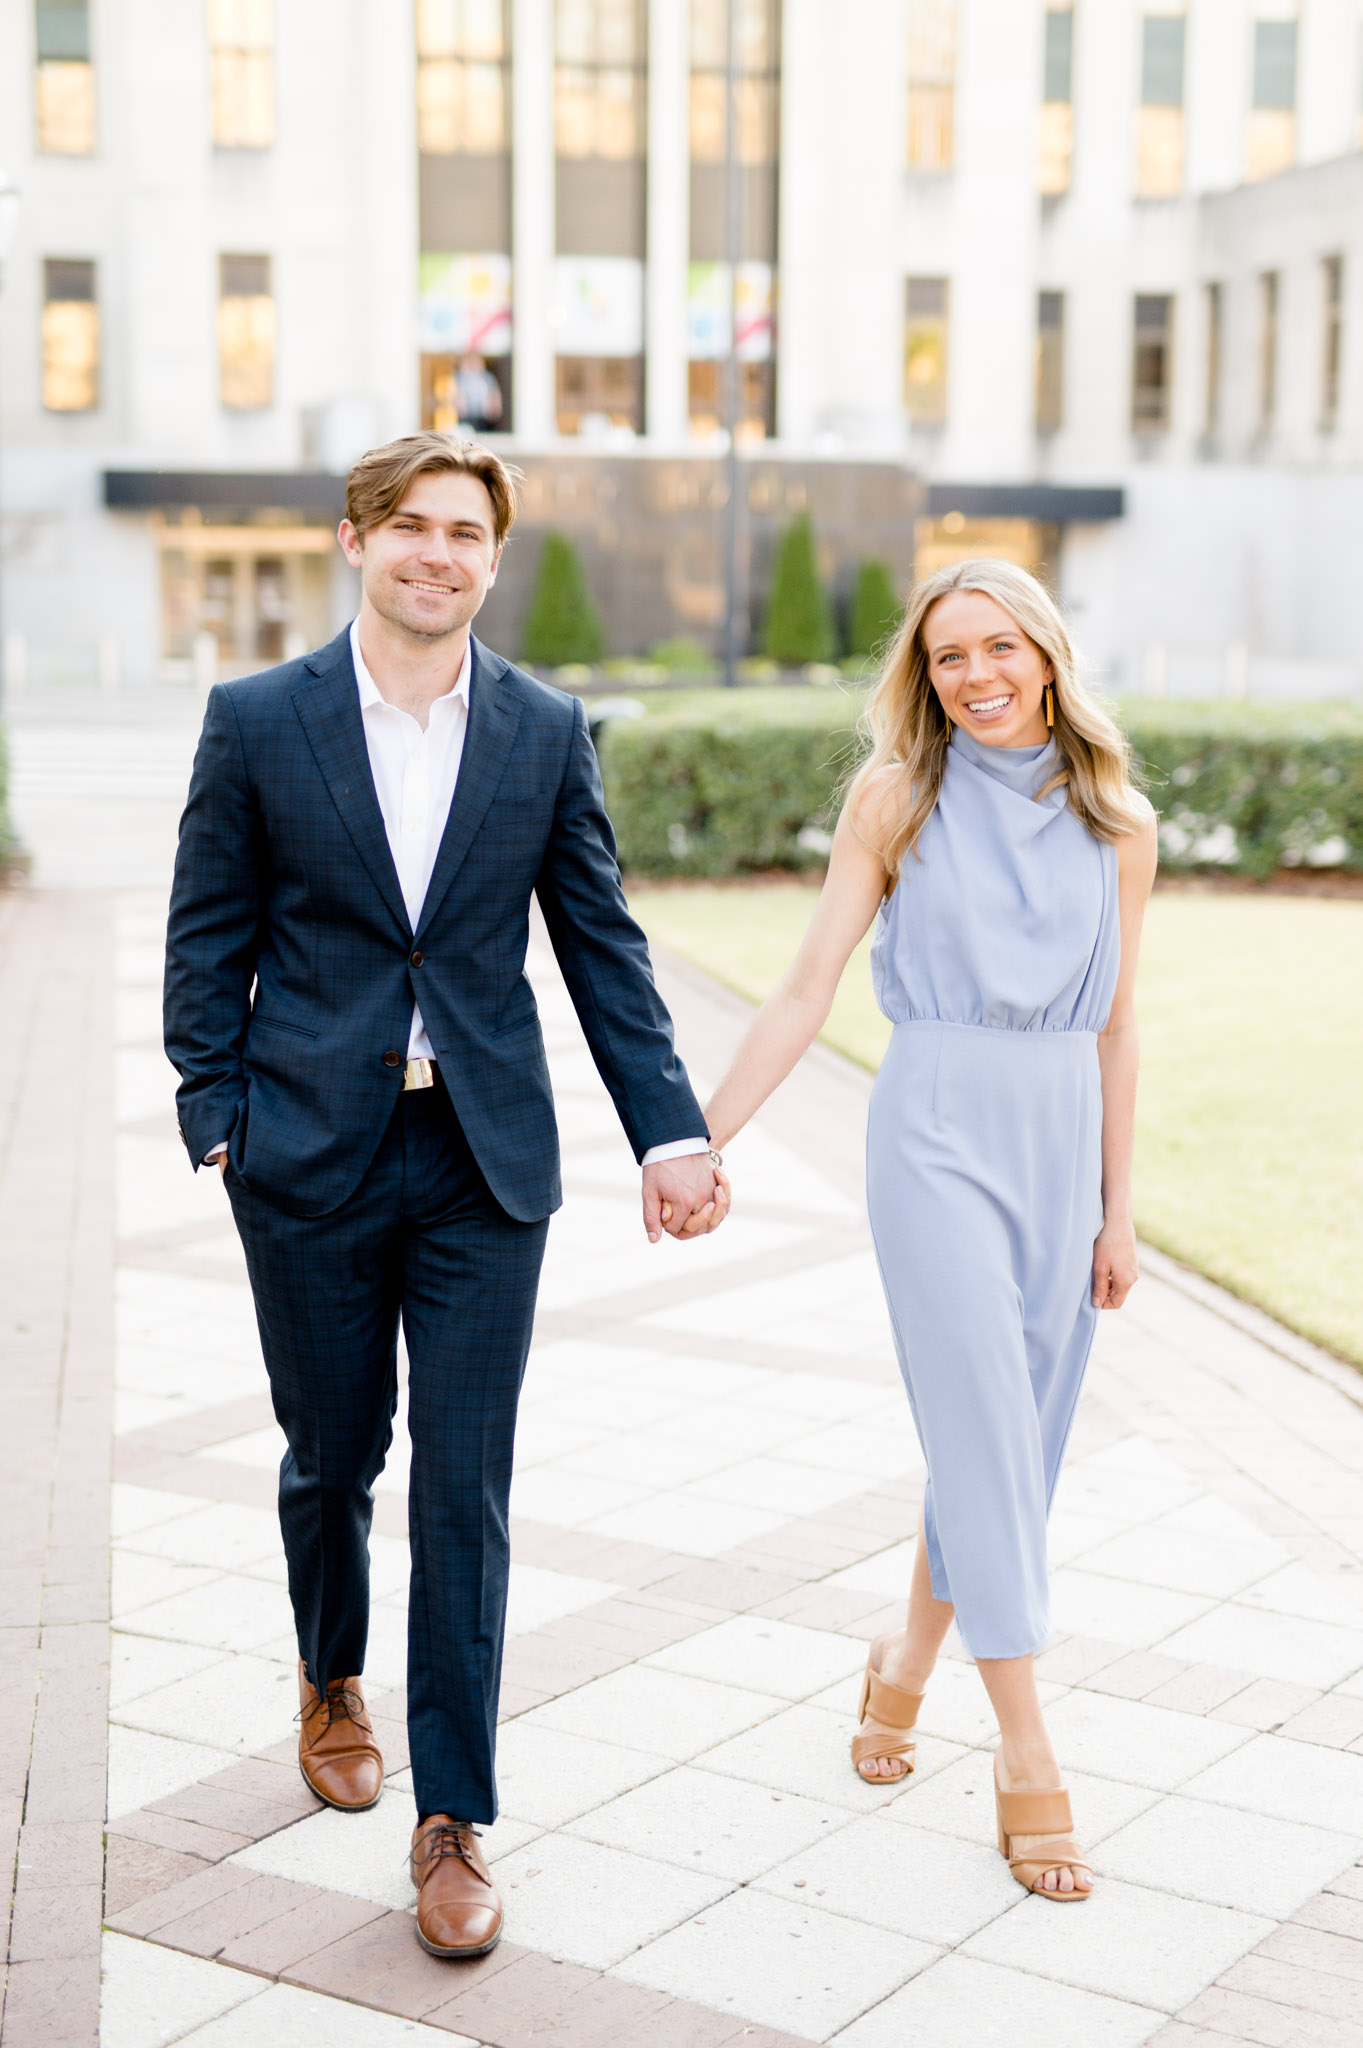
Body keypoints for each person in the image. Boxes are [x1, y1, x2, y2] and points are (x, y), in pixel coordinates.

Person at [163, 433, 726, 1959]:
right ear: (354, 542)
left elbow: (601, 945)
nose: (436, 553)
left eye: (464, 532)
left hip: (484, 1162)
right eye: (407, 526)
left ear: (494, 556)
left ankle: (454, 1816)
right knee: (332, 1452)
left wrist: (669, 1131)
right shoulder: (261, 720)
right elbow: (205, 928)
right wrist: (214, 1114)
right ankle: (330, 1675)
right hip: (307, 1154)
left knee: (465, 1490)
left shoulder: (544, 730)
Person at [701, 558, 1157, 1902]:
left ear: (1050, 657)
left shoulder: (1116, 821)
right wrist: (700, 1136)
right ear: (924, 673)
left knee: (1011, 1441)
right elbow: (802, 990)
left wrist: (1119, 1210)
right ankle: (1027, 1754)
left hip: (1060, 1131)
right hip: (937, 1128)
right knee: (980, 1428)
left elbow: (1124, 1026)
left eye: (1002, 648)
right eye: (951, 655)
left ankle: (902, 1663)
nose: (979, 676)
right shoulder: (896, 798)